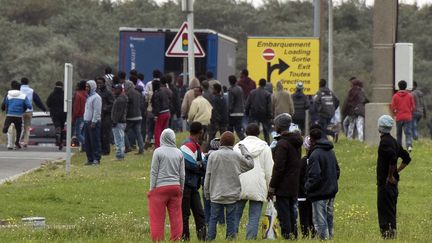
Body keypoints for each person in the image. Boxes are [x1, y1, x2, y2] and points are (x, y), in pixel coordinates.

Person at [204, 131, 254, 241]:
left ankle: (210, 239)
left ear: (220, 142)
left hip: (216, 193)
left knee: (213, 218)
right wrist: (243, 149)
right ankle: (230, 239)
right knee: (231, 219)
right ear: (233, 143)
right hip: (232, 194)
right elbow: (250, 164)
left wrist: (206, 192)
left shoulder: (213, 156)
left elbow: (208, 175)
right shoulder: (236, 156)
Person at [234, 123, 274, 240]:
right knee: (254, 216)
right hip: (258, 185)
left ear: (245, 133)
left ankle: (232, 237)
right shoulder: (265, 148)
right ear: (258, 133)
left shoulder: (237, 147)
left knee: (236, 215)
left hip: (240, 184)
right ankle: (250, 239)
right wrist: (270, 189)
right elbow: (269, 171)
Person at [267, 113, 303, 239]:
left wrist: (272, 187)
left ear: (279, 127)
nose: (274, 127)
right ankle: (294, 236)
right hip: (294, 183)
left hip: (283, 185)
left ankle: (287, 236)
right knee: (292, 212)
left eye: (275, 125)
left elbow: (278, 168)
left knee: (284, 214)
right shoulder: (296, 142)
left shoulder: (282, 144)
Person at [376, 115, 411, 239]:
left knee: (385, 212)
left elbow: (392, 157)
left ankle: (388, 236)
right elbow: (407, 158)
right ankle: (391, 236)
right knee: (391, 211)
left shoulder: (385, 142)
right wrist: (397, 171)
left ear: (380, 127)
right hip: (392, 185)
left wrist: (390, 175)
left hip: (385, 185)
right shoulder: (393, 141)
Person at [148, 128, 185, 241]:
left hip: (160, 188)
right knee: (176, 217)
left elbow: (154, 172)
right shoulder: (179, 153)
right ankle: (176, 239)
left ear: (162, 138)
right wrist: (181, 188)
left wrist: (152, 189)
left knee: (157, 218)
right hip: (175, 187)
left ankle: (158, 240)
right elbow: (182, 174)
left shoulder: (158, 152)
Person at [305, 128, 340, 240]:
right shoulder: (330, 151)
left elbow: (315, 176)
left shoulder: (315, 154)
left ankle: (323, 240)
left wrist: (307, 187)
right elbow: (337, 170)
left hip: (319, 193)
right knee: (329, 219)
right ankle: (330, 239)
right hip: (331, 192)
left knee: (320, 222)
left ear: (312, 140)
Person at [179, 122, 207, 241]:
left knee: (199, 214)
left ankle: (202, 238)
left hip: (193, 185)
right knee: (185, 215)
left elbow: (202, 166)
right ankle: (185, 238)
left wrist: (200, 165)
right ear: (200, 132)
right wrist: (200, 166)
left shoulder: (195, 145)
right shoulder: (187, 145)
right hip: (186, 185)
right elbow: (191, 165)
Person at [1, 80, 31, 149]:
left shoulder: (8, 95)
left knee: (9, 128)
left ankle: (9, 144)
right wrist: (24, 108)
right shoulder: (23, 96)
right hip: (19, 115)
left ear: (11, 87)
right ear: (20, 88)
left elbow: (4, 104)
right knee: (19, 130)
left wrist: (3, 109)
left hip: (9, 114)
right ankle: (17, 142)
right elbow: (29, 106)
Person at [19, 77, 47, 147]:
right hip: (29, 111)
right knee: (27, 127)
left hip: (19, 111)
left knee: (19, 127)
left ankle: (18, 141)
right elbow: (38, 101)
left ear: (21, 82)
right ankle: (25, 142)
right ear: (28, 83)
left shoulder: (18, 90)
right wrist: (44, 109)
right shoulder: (31, 91)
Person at [245, 78, 272, 144]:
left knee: (254, 130)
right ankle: (267, 143)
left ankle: (253, 143)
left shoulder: (252, 92)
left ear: (259, 83)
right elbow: (269, 107)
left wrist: (247, 113)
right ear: (265, 84)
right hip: (264, 114)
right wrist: (269, 116)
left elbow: (248, 104)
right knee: (266, 131)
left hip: (254, 114)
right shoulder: (267, 94)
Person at [298, 136, 315, 238]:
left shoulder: (303, 161)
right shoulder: (316, 159)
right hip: (315, 193)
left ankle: (305, 235)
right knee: (313, 216)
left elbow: (298, 178)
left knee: (304, 217)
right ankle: (314, 234)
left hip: (302, 194)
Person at [391, 80, 415, 152]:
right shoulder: (409, 96)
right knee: (408, 132)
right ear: (405, 87)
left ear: (398, 86)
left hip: (399, 117)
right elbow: (413, 107)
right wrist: (410, 112)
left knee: (399, 134)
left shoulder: (395, 96)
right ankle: (409, 145)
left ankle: (399, 147)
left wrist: (396, 113)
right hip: (407, 117)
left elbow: (393, 107)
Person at [83, 80, 102, 165]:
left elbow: (97, 111)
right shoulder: (89, 97)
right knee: (88, 142)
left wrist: (94, 121)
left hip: (93, 122)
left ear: (92, 87)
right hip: (87, 122)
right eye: (86, 86)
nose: (86, 88)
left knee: (94, 141)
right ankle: (90, 158)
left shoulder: (96, 97)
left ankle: (96, 159)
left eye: (88, 87)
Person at [46, 81, 67, 150]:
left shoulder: (52, 94)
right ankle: (61, 142)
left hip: (54, 112)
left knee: (57, 124)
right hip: (63, 113)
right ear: (62, 86)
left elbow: (48, 103)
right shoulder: (64, 94)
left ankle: (57, 130)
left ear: (55, 85)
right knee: (62, 126)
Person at [124, 81, 144, 154]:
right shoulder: (138, 93)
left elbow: (127, 106)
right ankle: (141, 149)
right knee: (138, 133)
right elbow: (141, 104)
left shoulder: (127, 94)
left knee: (123, 131)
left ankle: (128, 147)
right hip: (139, 116)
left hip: (130, 117)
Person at [96, 77, 114, 155]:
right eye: (98, 83)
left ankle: (106, 151)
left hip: (106, 116)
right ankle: (100, 149)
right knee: (99, 134)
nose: (99, 84)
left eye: (100, 83)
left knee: (105, 134)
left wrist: (105, 108)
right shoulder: (97, 92)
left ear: (104, 83)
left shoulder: (108, 93)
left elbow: (112, 103)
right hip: (99, 116)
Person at [152, 78, 172, 148]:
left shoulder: (156, 93)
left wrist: (155, 115)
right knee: (164, 130)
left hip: (161, 113)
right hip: (167, 112)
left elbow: (156, 105)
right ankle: (165, 145)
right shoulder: (164, 92)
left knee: (157, 130)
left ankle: (158, 147)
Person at [144, 70, 162, 148]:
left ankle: (149, 140)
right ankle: (157, 141)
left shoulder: (148, 84)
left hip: (150, 108)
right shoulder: (163, 84)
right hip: (161, 110)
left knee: (150, 125)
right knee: (158, 126)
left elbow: (146, 95)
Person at [207, 83, 228, 148]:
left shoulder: (215, 99)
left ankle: (208, 150)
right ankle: (226, 148)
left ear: (216, 90)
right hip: (223, 121)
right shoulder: (223, 98)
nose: (212, 90)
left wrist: (216, 122)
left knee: (211, 137)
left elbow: (215, 111)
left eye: (213, 89)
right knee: (224, 137)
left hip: (215, 122)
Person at [111, 84, 128, 160]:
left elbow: (119, 112)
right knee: (120, 138)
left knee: (118, 139)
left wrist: (115, 121)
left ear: (120, 90)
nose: (114, 91)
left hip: (119, 122)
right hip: (121, 121)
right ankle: (120, 154)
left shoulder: (120, 99)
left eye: (116, 89)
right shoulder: (121, 98)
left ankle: (120, 155)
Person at [227, 75, 245, 140]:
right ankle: (244, 140)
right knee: (239, 130)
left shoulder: (231, 90)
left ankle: (229, 142)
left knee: (230, 130)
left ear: (229, 81)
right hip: (241, 112)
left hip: (233, 113)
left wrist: (228, 111)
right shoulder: (240, 88)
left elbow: (231, 103)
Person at [72, 80, 87, 150]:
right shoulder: (87, 94)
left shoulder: (78, 94)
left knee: (78, 134)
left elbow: (76, 107)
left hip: (79, 116)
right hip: (87, 115)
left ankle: (87, 144)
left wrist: (74, 117)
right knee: (83, 132)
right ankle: (84, 148)